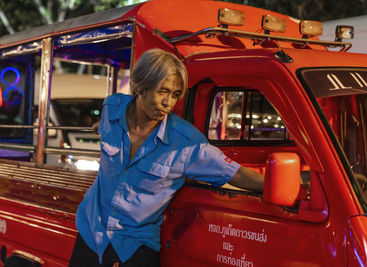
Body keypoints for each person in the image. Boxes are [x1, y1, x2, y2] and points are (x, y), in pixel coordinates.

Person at [69, 49, 264, 267]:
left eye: (174, 94)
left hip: (135, 247)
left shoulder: (186, 142)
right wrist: (99, 128)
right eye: (162, 91)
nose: (168, 103)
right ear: (139, 86)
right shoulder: (111, 108)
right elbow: (104, 128)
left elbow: (234, 173)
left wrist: (278, 186)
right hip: (91, 233)